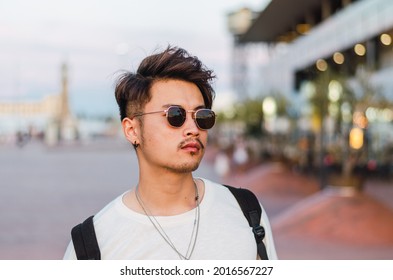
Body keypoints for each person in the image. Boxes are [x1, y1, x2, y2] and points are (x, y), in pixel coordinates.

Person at [63, 46, 277, 260]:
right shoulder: (93, 244)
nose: (193, 128)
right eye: (176, 115)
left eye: (202, 117)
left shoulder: (246, 212)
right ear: (132, 130)